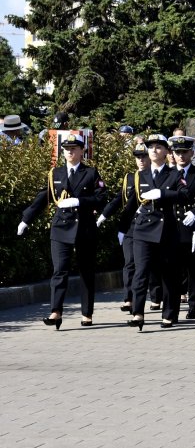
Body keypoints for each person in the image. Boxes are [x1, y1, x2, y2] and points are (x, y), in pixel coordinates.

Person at [18, 133, 107, 328]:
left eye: (73, 149)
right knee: (59, 271)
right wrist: (26, 219)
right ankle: (56, 312)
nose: (69, 152)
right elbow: (44, 197)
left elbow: (102, 199)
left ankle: (86, 313)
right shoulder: (55, 173)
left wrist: (80, 201)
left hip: (84, 227)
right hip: (61, 227)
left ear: (82, 151)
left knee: (86, 271)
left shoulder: (91, 173)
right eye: (66, 149)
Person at [118, 134, 188, 330]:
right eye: (151, 147)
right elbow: (131, 204)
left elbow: (184, 195)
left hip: (166, 231)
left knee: (168, 275)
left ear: (166, 152)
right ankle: (138, 313)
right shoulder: (140, 175)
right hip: (142, 230)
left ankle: (169, 314)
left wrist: (163, 193)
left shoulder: (175, 174)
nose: (154, 151)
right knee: (140, 273)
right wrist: (122, 228)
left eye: (158, 147)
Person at [97, 143, 151, 314]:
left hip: (150, 226)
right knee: (129, 263)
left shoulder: (155, 176)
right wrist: (103, 216)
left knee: (150, 265)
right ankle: (128, 298)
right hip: (130, 225)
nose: (141, 160)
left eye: (144, 156)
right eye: (138, 157)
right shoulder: (129, 177)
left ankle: (157, 296)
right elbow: (119, 199)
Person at [170, 135, 195, 320]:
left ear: (192, 153)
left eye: (184, 152)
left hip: (193, 227)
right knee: (174, 271)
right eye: (177, 152)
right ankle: (172, 308)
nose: (181, 156)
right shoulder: (168, 174)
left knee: (194, 269)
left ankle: (194, 305)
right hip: (172, 228)